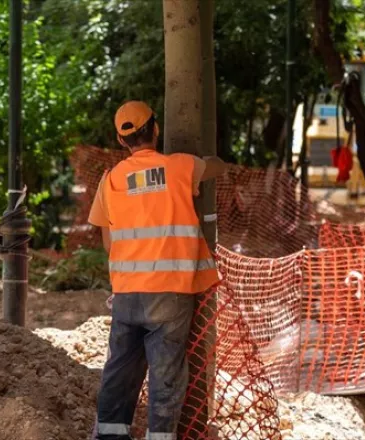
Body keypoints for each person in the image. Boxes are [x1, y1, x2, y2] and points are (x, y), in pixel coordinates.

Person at [88, 100, 229, 440]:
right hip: (170, 293)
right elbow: (218, 166)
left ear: (122, 141)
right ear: (156, 128)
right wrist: (203, 161)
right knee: (166, 372)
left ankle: (109, 435)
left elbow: (109, 243)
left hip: (127, 293)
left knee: (120, 368)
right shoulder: (179, 168)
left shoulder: (110, 181)